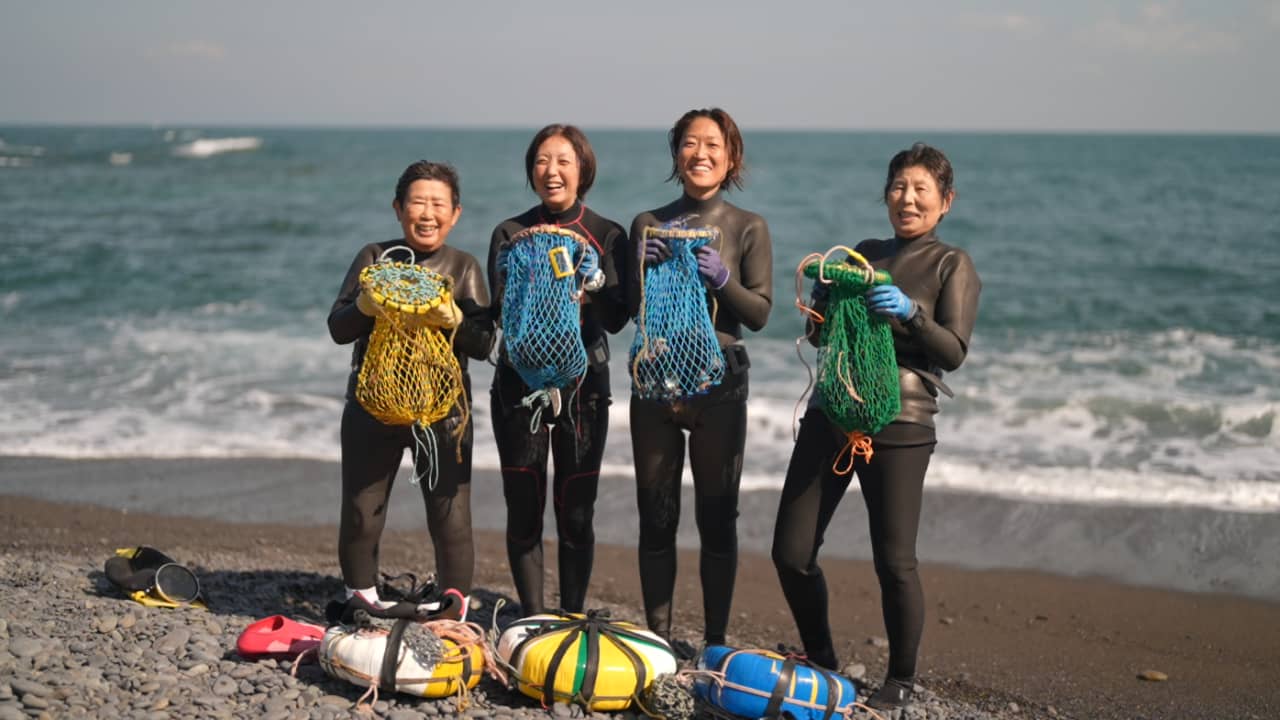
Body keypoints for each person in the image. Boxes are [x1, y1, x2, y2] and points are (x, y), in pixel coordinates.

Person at [771, 143, 981, 709]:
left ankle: (901, 678)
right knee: (790, 552)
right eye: (898, 187)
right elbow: (822, 338)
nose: (907, 199)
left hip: (902, 419)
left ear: (945, 201)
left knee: (894, 561)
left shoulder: (951, 264)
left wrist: (911, 313)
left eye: (920, 190)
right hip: (833, 410)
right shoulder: (862, 254)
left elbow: (954, 350)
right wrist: (820, 309)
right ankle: (822, 659)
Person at [626, 108, 773, 652]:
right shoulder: (647, 223)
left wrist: (724, 280)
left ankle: (714, 642)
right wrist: (638, 267)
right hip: (657, 382)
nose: (700, 153)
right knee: (656, 517)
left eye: (713, 144)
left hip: (720, 387)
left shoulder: (748, 226)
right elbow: (627, 311)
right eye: (689, 143)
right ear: (676, 155)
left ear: (731, 157)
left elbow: (757, 314)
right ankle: (658, 642)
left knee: (717, 519)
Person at [327, 160, 494, 619]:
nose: (427, 213)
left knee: (450, 515)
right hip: (371, 406)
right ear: (398, 208)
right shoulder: (373, 257)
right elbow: (339, 329)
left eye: (438, 204)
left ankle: (452, 610)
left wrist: (454, 319)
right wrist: (364, 305)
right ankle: (360, 599)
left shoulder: (463, 267)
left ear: (455, 213)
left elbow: (483, 343)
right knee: (363, 511)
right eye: (417, 202)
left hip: (444, 413)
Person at [487, 124, 629, 615]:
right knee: (524, 510)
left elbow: (617, 316)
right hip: (518, 384)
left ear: (583, 169)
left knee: (576, 513)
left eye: (564, 160)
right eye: (542, 161)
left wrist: (593, 288)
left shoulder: (608, 234)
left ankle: (569, 615)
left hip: (584, 384)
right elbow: (502, 310)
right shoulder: (509, 234)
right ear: (531, 171)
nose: (552, 170)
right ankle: (530, 617)